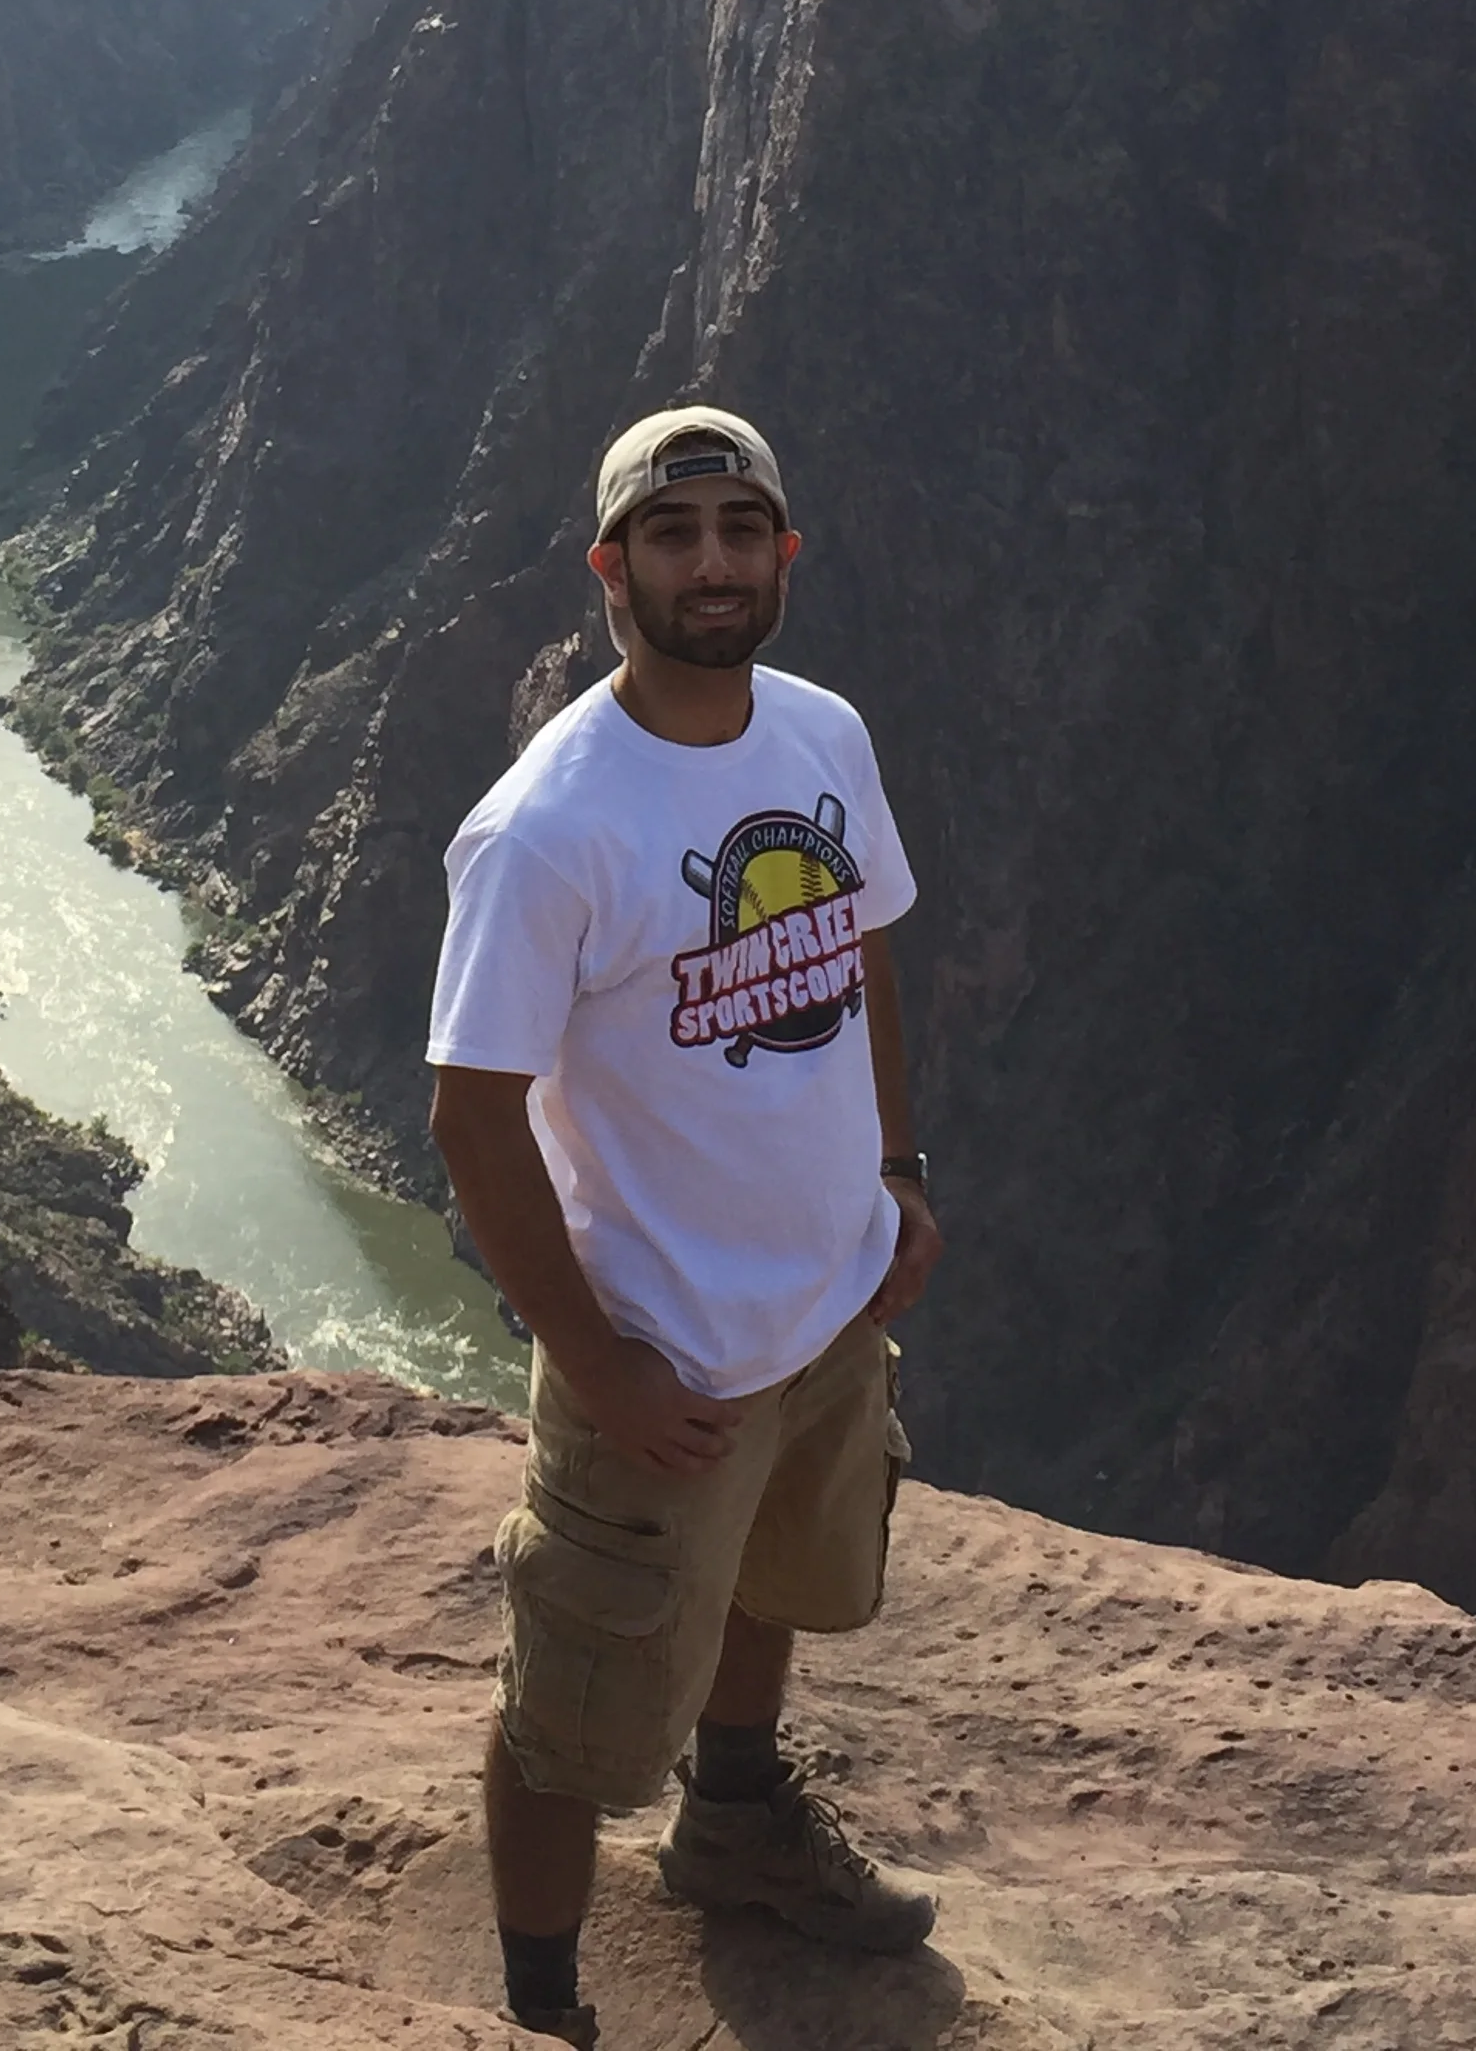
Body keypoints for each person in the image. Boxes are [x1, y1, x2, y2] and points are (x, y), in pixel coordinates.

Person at [427, 405, 943, 2044]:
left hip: (825, 1312)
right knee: (571, 1718)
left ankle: (735, 1834)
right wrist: (600, 1366)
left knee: (774, 1593)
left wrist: (901, 1177)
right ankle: (536, 2009)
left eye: (739, 527)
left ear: (783, 553)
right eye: (673, 533)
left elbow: (860, 945)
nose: (710, 561)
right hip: (661, 1357)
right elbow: (472, 1114)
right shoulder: (548, 827)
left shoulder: (821, 736)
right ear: (610, 569)